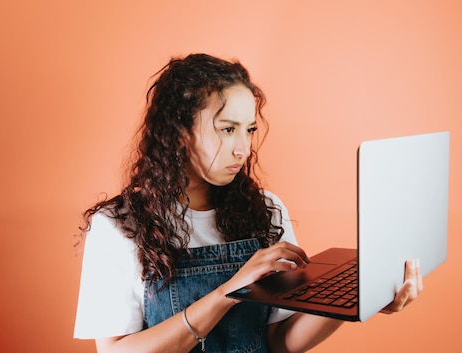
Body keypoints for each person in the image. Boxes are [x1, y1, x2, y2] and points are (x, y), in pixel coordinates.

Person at [73, 53, 423, 353]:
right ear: (178, 131)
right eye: (227, 129)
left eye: (250, 130)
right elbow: (117, 350)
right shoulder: (120, 225)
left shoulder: (266, 211)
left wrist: (357, 298)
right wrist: (227, 293)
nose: (243, 148)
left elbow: (281, 340)